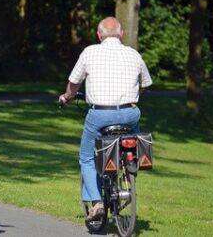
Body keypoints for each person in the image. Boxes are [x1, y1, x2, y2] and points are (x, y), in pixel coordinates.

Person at [59, 17, 152, 220]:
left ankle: (97, 202)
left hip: (99, 114)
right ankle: (131, 164)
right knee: (134, 137)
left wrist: (67, 96)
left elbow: (74, 82)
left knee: (87, 157)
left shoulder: (90, 52)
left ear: (99, 35)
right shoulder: (134, 54)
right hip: (129, 113)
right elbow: (146, 83)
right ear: (122, 34)